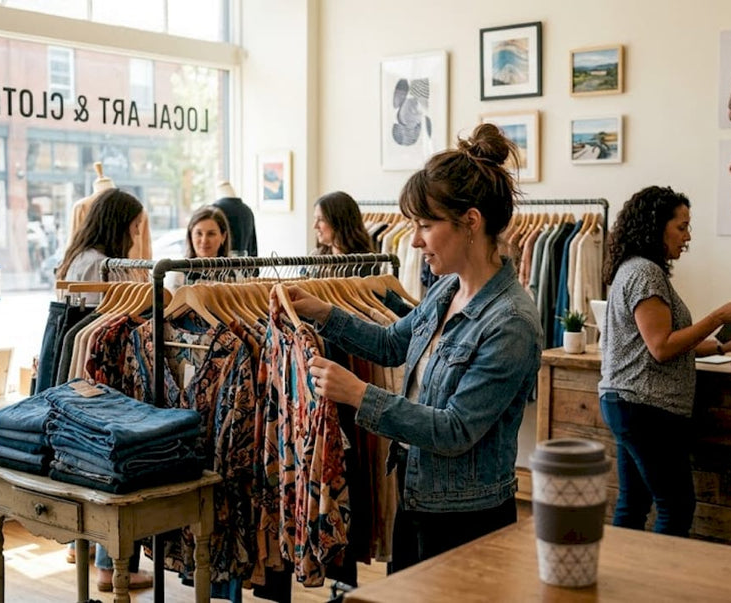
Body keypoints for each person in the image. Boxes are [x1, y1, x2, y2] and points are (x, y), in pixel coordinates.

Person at [276, 123, 542, 570]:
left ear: (471, 222)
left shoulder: (511, 323)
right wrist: (322, 312)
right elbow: (390, 343)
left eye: (425, 225)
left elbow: (455, 431)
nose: (415, 240)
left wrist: (359, 393)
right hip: (416, 495)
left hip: (466, 517)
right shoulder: (447, 291)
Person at [598, 186, 731, 537]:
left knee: (633, 504)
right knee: (676, 506)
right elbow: (661, 347)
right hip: (647, 407)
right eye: (682, 226)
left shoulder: (632, 269)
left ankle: (622, 582)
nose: (688, 236)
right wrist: (720, 316)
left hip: (630, 404)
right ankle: (660, 587)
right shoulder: (646, 274)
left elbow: (661, 345)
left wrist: (727, 346)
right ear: (655, 226)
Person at [53, 188, 152, 591]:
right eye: (135, 226)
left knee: (86, 460)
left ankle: (87, 549)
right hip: (102, 372)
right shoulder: (103, 266)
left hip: (75, 367)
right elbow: (110, 326)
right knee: (114, 466)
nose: (137, 234)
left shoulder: (76, 258)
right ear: (122, 224)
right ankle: (112, 566)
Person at [55, 188, 146, 306]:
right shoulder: (97, 265)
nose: (137, 232)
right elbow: (95, 315)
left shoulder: (86, 257)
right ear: (119, 226)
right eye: (136, 225)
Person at [165, 205, 232, 290]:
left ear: (223, 236)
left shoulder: (235, 276)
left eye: (211, 234)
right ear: (190, 235)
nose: (204, 240)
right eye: (199, 234)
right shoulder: (178, 276)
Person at [313, 191, 375, 255]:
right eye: (315, 219)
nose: (315, 226)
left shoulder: (365, 261)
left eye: (321, 219)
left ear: (338, 222)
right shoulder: (316, 256)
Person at [213, 181, 257, 256]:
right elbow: (253, 248)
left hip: (219, 264)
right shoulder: (248, 211)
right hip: (245, 265)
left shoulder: (214, 211)